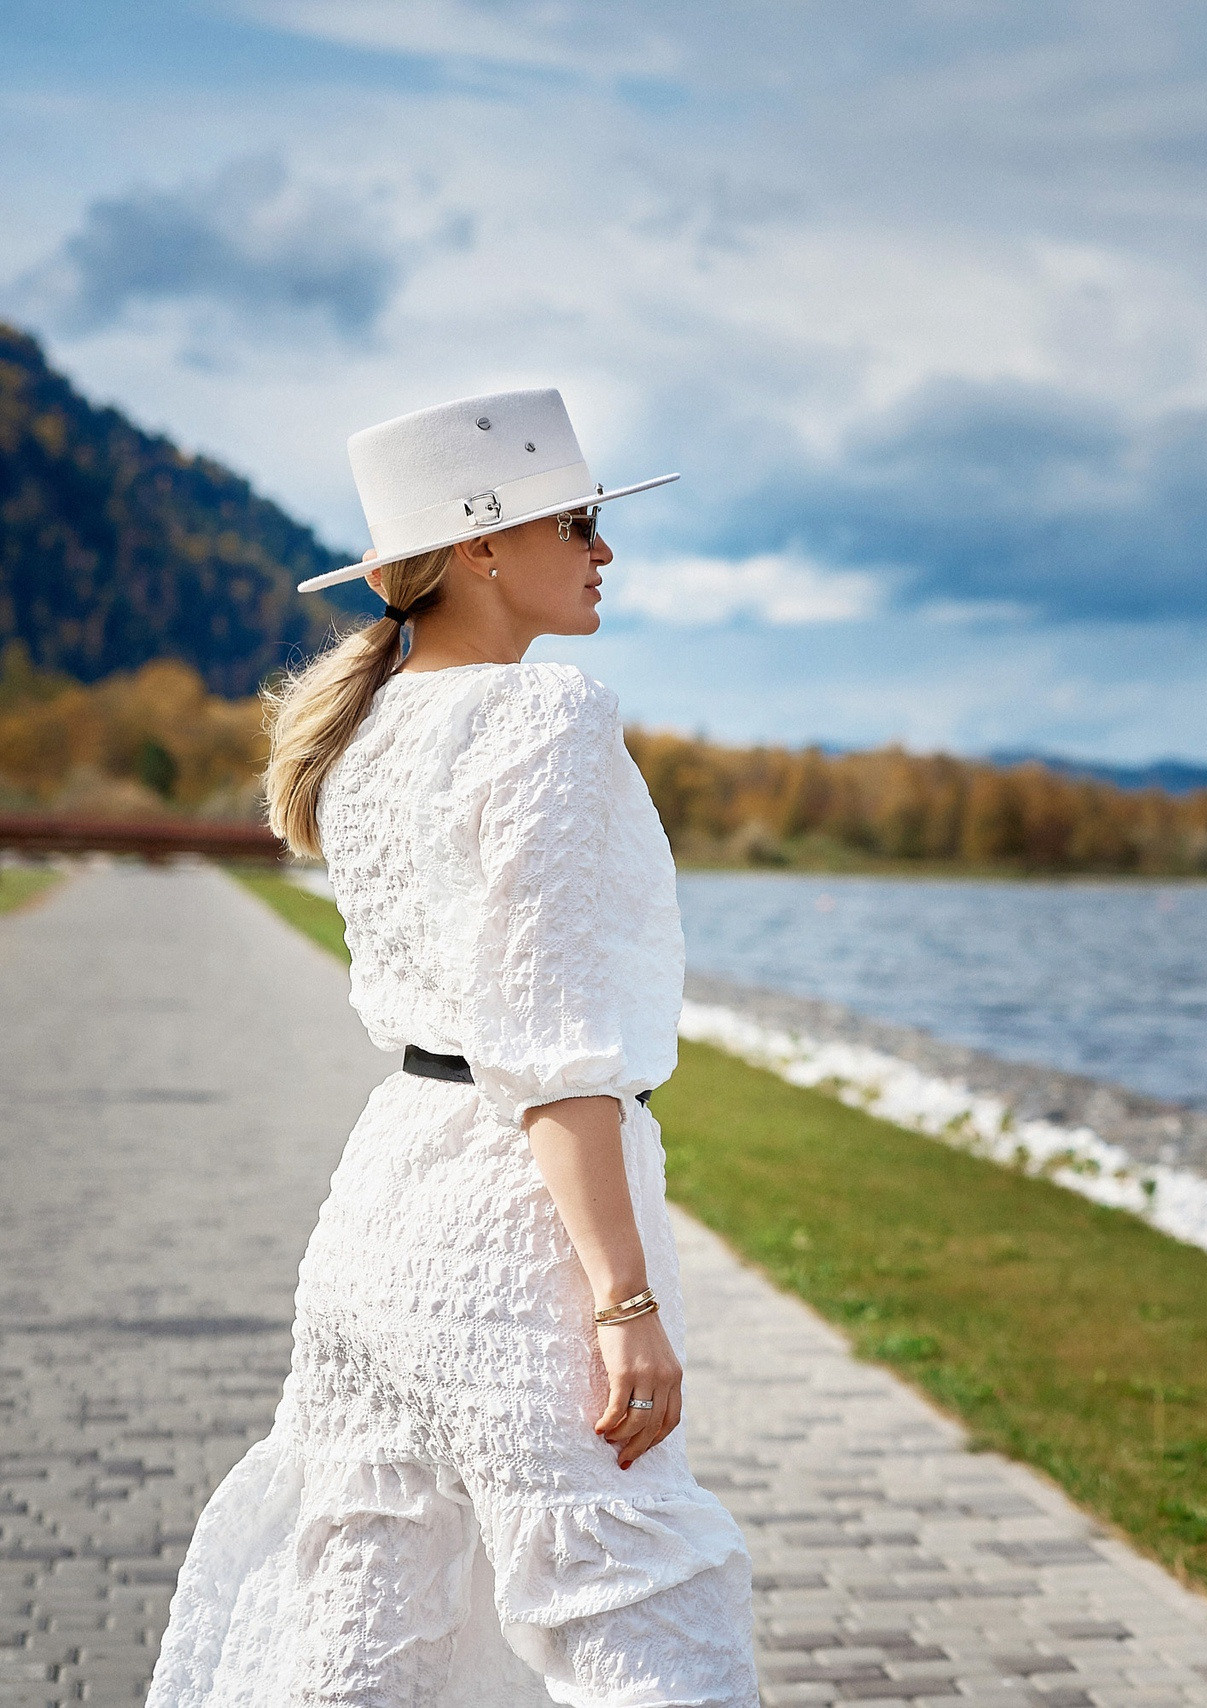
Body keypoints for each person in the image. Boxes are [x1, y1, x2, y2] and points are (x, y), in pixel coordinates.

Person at [148, 391, 756, 1707]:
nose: (605, 551)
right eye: (579, 522)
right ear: (483, 547)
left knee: (369, 1611)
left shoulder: (361, 732)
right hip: (509, 1229)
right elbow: (551, 1046)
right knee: (639, 1601)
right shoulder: (547, 720)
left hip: (382, 1216)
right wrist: (624, 1297)